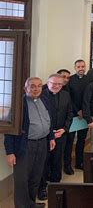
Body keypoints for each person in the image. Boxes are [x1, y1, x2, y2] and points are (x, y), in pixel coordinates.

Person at [4, 77, 55, 208]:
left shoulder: (44, 100)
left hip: (42, 143)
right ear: (25, 88)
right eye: (32, 86)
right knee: (22, 179)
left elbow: (48, 121)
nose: (36, 89)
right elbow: (10, 130)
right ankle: (22, 206)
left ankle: (30, 203)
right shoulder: (18, 105)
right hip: (25, 146)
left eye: (39, 86)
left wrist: (51, 138)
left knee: (36, 176)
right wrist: (10, 152)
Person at [37, 74, 73, 200]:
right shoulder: (41, 95)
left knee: (57, 161)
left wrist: (64, 129)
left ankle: (56, 186)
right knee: (43, 162)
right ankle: (41, 188)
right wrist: (50, 132)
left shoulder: (66, 95)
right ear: (48, 83)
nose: (57, 86)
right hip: (45, 135)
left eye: (60, 84)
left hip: (60, 134)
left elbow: (70, 114)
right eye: (54, 83)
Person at [64, 59, 89, 172]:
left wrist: (84, 111)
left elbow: (89, 97)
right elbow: (69, 98)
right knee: (70, 141)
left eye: (83, 66)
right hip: (72, 115)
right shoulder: (70, 80)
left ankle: (79, 162)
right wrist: (77, 110)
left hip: (84, 115)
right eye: (78, 67)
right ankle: (67, 165)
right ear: (75, 68)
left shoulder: (89, 80)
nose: (81, 68)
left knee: (81, 140)